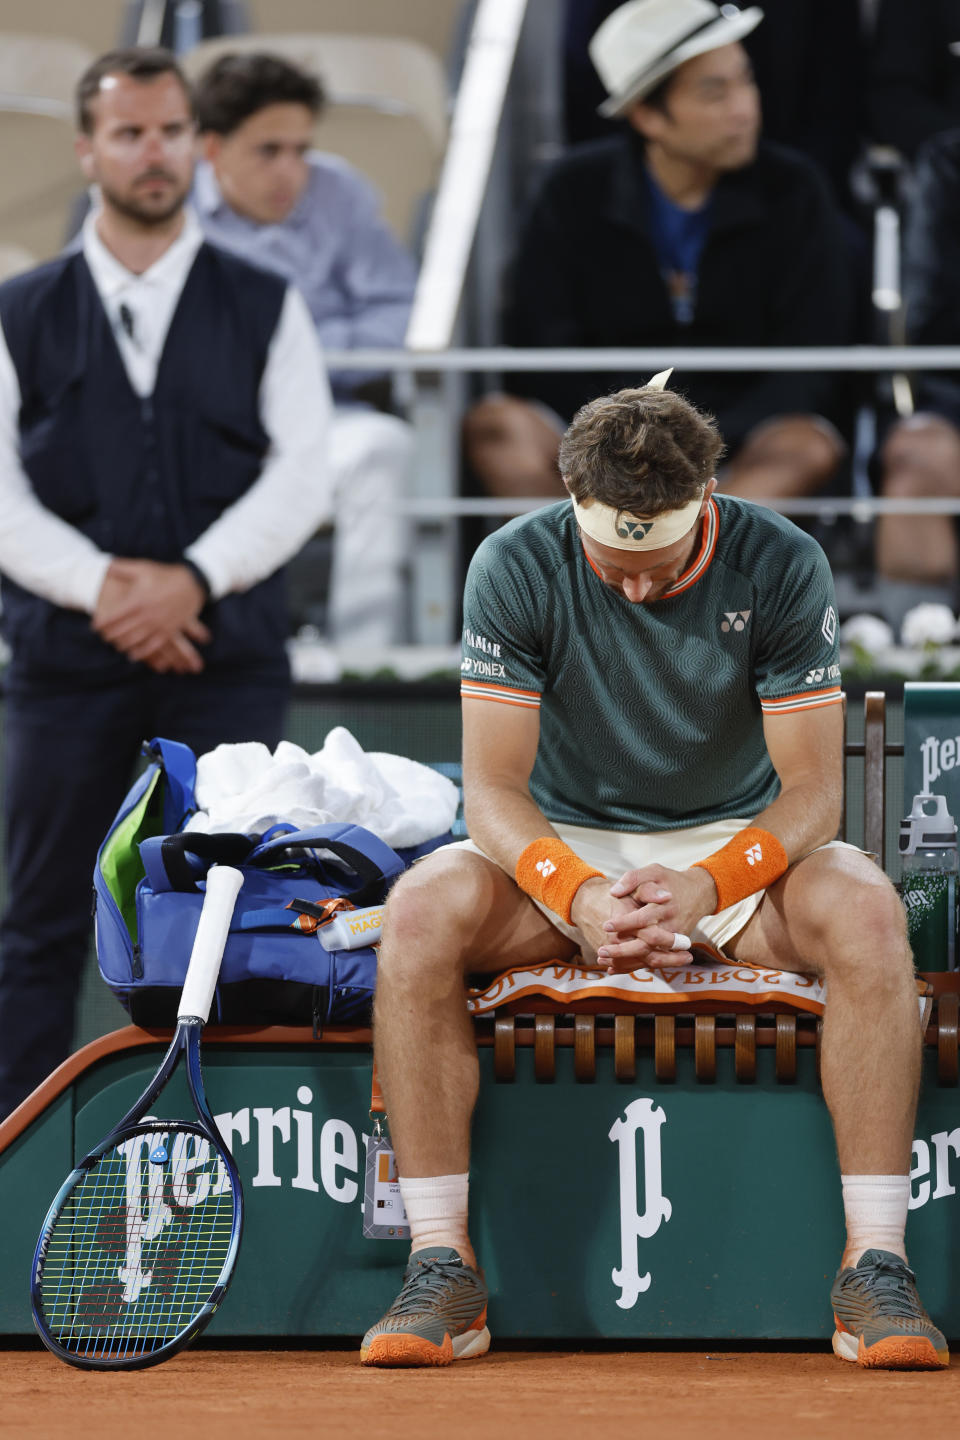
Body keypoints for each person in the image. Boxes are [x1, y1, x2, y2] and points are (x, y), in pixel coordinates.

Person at [362, 374, 947, 1371]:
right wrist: (573, 890)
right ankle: (440, 1269)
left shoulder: (781, 562)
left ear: (708, 501)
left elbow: (812, 795)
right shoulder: (515, 561)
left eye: (660, 566)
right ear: (573, 502)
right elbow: (496, 790)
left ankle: (877, 1268)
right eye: (612, 565)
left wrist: (712, 882)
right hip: (564, 845)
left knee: (867, 915)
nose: (634, 588)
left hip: (736, 848)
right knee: (416, 916)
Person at [0, 47, 330, 1120]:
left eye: (172, 131)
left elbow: (303, 475)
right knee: (39, 921)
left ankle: (230, 1140)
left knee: (236, 916)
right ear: (89, 148)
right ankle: (13, 1144)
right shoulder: (21, 311)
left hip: (225, 659)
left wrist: (191, 579)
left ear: (198, 142)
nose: (155, 153)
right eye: (132, 132)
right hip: (60, 668)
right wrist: (109, 588)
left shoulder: (264, 303)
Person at [465, 0, 853, 507]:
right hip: (601, 436)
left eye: (746, 80)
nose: (745, 108)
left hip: (735, 442)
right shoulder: (572, 190)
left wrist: (698, 439)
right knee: (497, 428)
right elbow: (541, 348)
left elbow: (811, 359)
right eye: (716, 93)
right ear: (647, 114)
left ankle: (688, 571)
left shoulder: (795, 188)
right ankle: (587, 579)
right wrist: (625, 439)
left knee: (803, 446)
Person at [192, 52, 418, 648]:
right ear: (210, 148)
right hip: (201, 430)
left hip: (323, 418)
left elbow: (397, 312)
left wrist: (297, 357)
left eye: (300, 149)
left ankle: (366, 667)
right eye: (269, 151)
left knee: (384, 449)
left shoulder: (338, 188)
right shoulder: (167, 207)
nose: (291, 170)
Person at [872, 127, 960, 605]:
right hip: (953, 391)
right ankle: (917, 651)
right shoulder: (950, 163)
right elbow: (926, 317)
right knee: (916, 461)